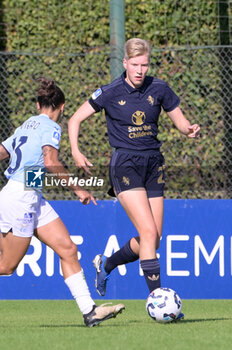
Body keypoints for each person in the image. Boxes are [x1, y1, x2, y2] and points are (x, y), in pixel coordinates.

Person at [68, 38, 200, 320]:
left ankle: (106, 264)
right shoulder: (110, 92)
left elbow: (180, 120)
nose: (140, 70)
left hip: (154, 163)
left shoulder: (160, 88)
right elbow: (75, 119)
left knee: (153, 238)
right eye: (135, 65)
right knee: (149, 234)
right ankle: (159, 300)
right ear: (125, 63)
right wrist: (76, 151)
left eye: (145, 64)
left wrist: (188, 129)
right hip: (125, 164)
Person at [0, 77, 125, 327]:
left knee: (68, 249)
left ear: (37, 105)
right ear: (63, 107)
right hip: (21, 197)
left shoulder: (26, 125)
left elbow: (3, 153)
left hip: (29, 195)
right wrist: (78, 189)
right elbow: (51, 163)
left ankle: (89, 312)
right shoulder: (52, 127)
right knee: (6, 266)